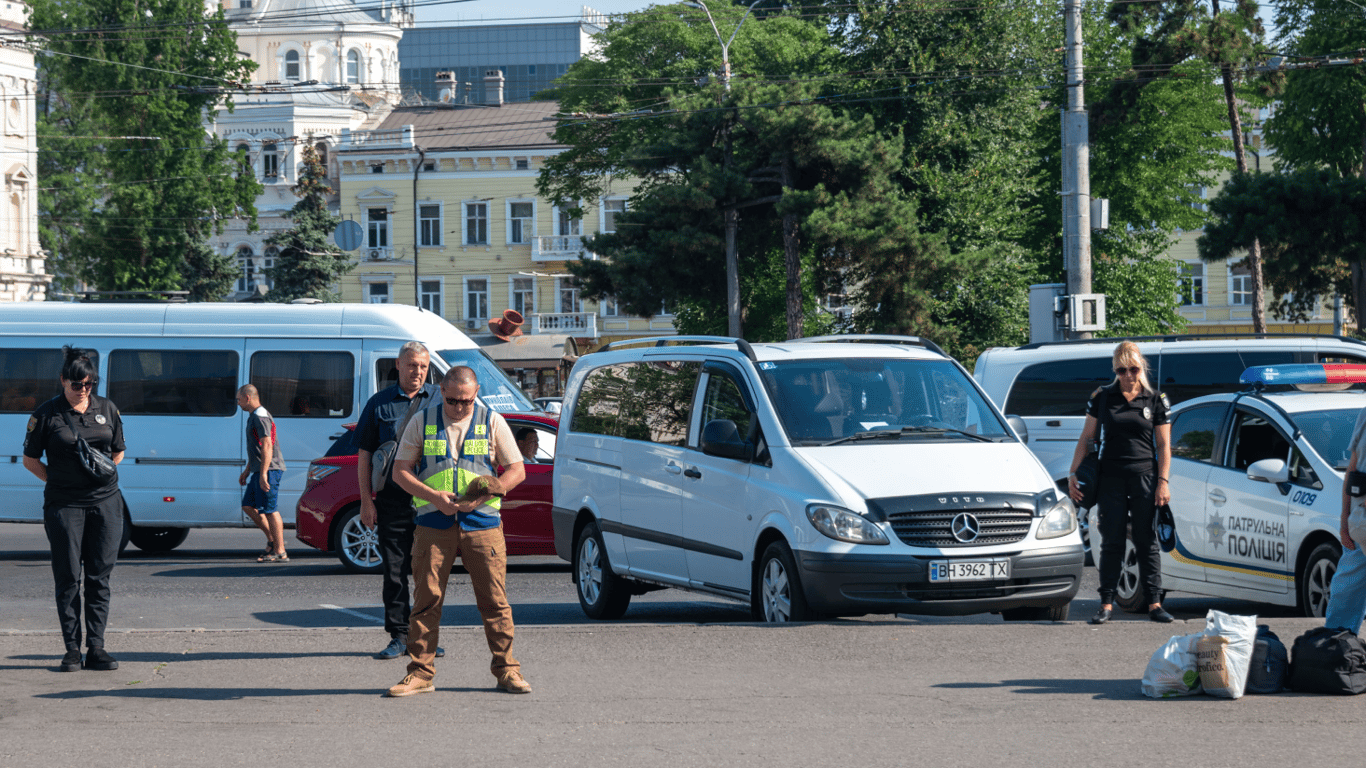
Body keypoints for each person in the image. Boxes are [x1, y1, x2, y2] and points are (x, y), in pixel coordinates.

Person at [386, 366, 530, 697]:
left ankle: (507, 670)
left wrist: (492, 490)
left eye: (466, 401)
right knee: (426, 601)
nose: (459, 408)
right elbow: (400, 471)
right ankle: (420, 673)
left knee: (495, 601)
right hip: (433, 523)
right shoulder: (423, 420)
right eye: (452, 401)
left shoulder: (491, 420)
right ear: (441, 390)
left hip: (483, 525)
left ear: (476, 393)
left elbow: (517, 470)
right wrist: (434, 497)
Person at [22, 345, 126, 672]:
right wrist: (60, 479)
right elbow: (30, 460)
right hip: (64, 504)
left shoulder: (107, 409)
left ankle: (96, 647)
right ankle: (71, 650)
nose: (83, 390)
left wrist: (99, 471)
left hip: (105, 503)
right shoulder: (46, 414)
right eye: (76, 384)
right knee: (68, 577)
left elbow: (118, 451)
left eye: (89, 384)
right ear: (63, 380)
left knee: (99, 576)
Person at [1068, 341, 1174, 624]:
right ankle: (1106, 604)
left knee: (1145, 540)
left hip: (1145, 477)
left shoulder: (1156, 399)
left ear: (1142, 368)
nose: (1128, 375)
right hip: (1111, 478)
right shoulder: (1102, 397)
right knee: (1112, 542)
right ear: (1115, 370)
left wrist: (1163, 482)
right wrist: (1072, 473)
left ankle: (1154, 603)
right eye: (1121, 369)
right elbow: (1086, 438)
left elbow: (1164, 446)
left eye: (1133, 368)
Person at [355, 342, 441, 660]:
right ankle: (399, 636)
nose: (417, 371)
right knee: (394, 571)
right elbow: (364, 457)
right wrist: (367, 502)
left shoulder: (439, 399)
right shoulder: (379, 404)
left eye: (422, 366)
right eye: (411, 365)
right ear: (399, 365)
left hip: (431, 501)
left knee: (428, 572)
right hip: (392, 501)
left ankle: (424, 636)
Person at [1325, 407, 1366, 631]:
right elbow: (1352, 468)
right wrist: (1344, 521)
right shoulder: (1364, 415)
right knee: (1344, 593)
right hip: (1359, 521)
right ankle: (1336, 654)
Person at [236, 384, 287, 562]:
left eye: (239, 399)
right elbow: (257, 448)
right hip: (260, 469)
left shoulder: (261, 416)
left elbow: (267, 445)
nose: (238, 403)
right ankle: (273, 541)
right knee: (248, 506)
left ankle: (280, 551)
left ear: (247, 398)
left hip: (270, 469)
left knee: (270, 510)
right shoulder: (253, 416)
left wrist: (264, 473)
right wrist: (248, 470)